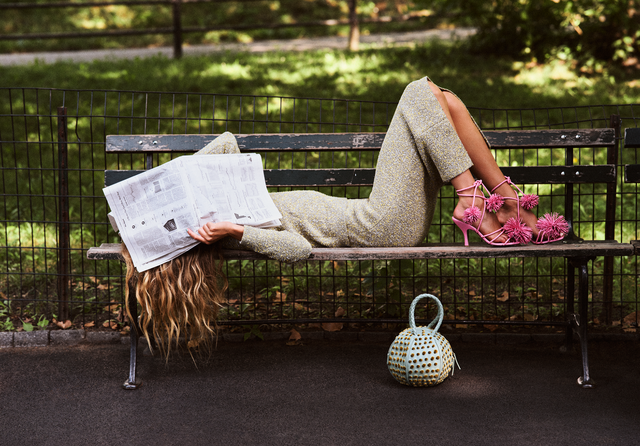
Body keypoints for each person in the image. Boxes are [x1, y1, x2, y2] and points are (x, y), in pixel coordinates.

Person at [124, 76, 567, 358]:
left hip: (383, 213)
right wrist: (237, 230)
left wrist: (163, 190)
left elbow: (226, 142)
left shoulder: (216, 210)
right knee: (417, 92)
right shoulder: (225, 235)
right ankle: (476, 200)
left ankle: (505, 201)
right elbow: (298, 251)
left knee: (440, 99)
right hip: (384, 222)